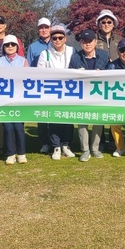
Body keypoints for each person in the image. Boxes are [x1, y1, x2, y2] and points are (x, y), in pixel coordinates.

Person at [36, 24, 76, 160]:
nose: (57, 40)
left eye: (60, 37)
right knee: (54, 119)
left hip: (69, 91)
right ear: (51, 39)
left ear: (65, 38)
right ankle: (56, 147)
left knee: (68, 118)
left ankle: (66, 145)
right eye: (54, 38)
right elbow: (40, 72)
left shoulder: (72, 51)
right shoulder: (45, 53)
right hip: (52, 91)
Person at [69, 28, 109, 162]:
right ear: (81, 43)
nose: (87, 44)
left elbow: (111, 72)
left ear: (95, 42)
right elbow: (70, 76)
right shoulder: (75, 58)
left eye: (90, 41)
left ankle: (95, 148)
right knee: (82, 122)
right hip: (82, 96)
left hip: (99, 94)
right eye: (84, 41)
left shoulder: (104, 55)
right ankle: (85, 150)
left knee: (98, 121)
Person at [0, 15, 24, 157]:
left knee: (16, 122)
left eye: (1, 23)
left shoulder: (15, 41)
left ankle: (17, 148)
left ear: (5, 25)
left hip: (16, 89)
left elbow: (21, 62)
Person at [0, 35, 29, 164]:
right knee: (8, 127)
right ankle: (10, 154)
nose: (10, 47)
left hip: (19, 99)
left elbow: (27, 80)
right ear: (3, 47)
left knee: (19, 127)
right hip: (4, 99)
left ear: (17, 46)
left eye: (13, 44)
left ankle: (21, 153)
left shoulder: (23, 61)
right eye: (7, 45)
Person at [26, 17, 53, 154]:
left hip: (56, 86)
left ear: (50, 28)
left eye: (46, 27)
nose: (44, 30)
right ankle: (45, 142)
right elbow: (30, 67)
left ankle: (57, 142)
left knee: (55, 114)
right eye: (41, 28)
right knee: (42, 116)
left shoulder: (57, 42)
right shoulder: (33, 47)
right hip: (41, 86)